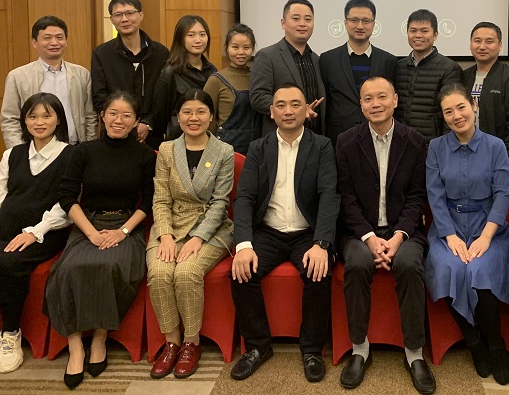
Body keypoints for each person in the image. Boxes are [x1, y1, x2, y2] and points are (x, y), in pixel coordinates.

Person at [44, 91, 156, 390]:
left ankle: (99, 338)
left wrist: (123, 232)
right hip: (88, 223)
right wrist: (91, 233)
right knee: (68, 270)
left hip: (126, 225)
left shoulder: (145, 155)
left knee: (111, 266)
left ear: (136, 121)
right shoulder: (83, 151)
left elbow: (149, 201)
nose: (119, 120)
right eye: (113, 113)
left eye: (127, 115)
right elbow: (67, 196)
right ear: (103, 116)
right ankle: (76, 347)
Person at [230, 84, 339, 383]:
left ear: (306, 109)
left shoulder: (322, 146)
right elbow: (245, 198)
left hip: (308, 232)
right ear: (271, 111)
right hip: (269, 231)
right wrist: (243, 244)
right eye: (281, 105)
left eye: (295, 104)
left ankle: (312, 350)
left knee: (319, 272)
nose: (288, 111)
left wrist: (321, 243)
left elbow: (329, 196)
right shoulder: (258, 148)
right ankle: (258, 346)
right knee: (241, 273)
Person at [0, 94, 73, 377]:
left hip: (46, 233)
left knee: (7, 262)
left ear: (58, 119)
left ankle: (10, 334)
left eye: (46, 115)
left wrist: (36, 232)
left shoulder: (70, 155)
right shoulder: (12, 154)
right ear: (24, 121)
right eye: (32, 116)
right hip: (4, 230)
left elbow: (67, 205)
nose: (39, 122)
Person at [336, 77, 433, 393]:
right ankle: (359, 349)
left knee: (408, 264)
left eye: (382, 97)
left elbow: (417, 196)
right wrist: (368, 236)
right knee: (358, 263)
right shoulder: (346, 142)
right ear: (361, 104)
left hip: (403, 230)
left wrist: (398, 236)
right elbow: (346, 197)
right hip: (358, 231)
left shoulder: (415, 141)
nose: (375, 104)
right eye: (368, 98)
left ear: (395, 100)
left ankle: (414, 353)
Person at [425, 83, 509, 386]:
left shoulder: (495, 146)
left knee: (479, 269)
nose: (456, 116)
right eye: (448, 111)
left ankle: (496, 345)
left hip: (488, 227)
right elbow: (435, 196)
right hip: (448, 227)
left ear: (473, 106)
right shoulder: (436, 148)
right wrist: (449, 235)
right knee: (448, 267)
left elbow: (502, 194)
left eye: (461, 107)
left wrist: (486, 236)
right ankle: (474, 341)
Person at [147, 90, 235, 380]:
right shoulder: (166, 150)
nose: (193, 118)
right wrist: (165, 236)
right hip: (170, 225)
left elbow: (220, 203)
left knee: (186, 272)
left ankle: (191, 343)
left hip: (210, 228)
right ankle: (171, 342)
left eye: (200, 111)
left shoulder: (223, 151)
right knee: (160, 272)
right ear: (178, 115)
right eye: (187, 111)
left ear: (211, 116)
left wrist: (198, 238)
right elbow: (160, 199)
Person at [1, 16, 97, 148]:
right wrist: (19, 151)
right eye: (47, 38)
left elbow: (90, 116)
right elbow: (10, 119)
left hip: (75, 148)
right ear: (34, 42)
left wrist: (89, 147)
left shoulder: (81, 74)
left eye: (59, 37)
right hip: (35, 150)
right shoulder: (17, 77)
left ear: (66, 41)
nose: (54, 42)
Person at [91, 0, 169, 149]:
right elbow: (99, 96)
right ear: (112, 19)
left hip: (152, 136)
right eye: (118, 15)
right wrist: (124, 122)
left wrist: (147, 123)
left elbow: (164, 96)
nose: (124, 19)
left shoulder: (160, 53)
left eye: (130, 13)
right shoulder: (102, 54)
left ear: (141, 15)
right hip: (115, 132)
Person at [319, 0, 397, 145]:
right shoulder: (327, 59)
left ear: (373, 24)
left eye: (366, 21)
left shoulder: (388, 61)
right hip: (338, 137)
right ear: (345, 23)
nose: (360, 26)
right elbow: (326, 101)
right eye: (354, 20)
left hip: (379, 136)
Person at [249, 0, 326, 136]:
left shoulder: (316, 59)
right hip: (281, 137)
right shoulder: (267, 56)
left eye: (308, 19)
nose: (302, 24)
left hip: (315, 137)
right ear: (283, 23)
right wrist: (296, 110)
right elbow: (258, 97)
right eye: (296, 19)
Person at [462, 21, 509, 157]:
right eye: (477, 41)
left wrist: (506, 157)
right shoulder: (463, 77)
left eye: (489, 41)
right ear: (470, 44)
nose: (482, 46)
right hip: (464, 150)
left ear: (500, 45)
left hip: (496, 154)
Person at [394, 9, 462, 141]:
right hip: (401, 141)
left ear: (435, 35)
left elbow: (452, 110)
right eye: (413, 31)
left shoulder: (449, 68)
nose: (418, 35)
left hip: (432, 143)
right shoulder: (398, 66)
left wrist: (444, 144)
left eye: (424, 31)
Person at [151, 15, 217, 142]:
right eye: (191, 35)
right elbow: (160, 116)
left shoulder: (212, 70)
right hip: (178, 139)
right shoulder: (170, 72)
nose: (198, 40)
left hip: (207, 138)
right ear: (180, 38)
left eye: (202, 35)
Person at [203, 23, 261, 155]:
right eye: (235, 47)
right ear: (226, 48)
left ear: (252, 49)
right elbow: (207, 118)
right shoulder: (216, 80)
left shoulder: (258, 77)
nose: (241, 52)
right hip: (226, 149)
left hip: (256, 147)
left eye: (246, 47)